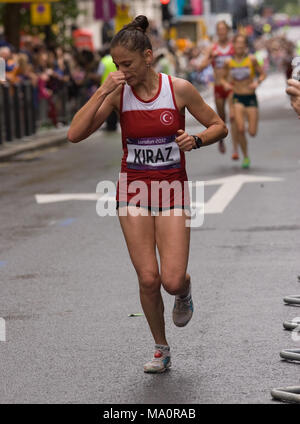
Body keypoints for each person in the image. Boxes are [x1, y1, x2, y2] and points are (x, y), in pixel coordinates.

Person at [68, 15, 228, 373]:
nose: (122, 71)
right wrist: (102, 90)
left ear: (148, 57)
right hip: (133, 190)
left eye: (127, 64)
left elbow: (219, 125)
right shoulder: (117, 94)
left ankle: (185, 289)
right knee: (147, 278)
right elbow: (75, 134)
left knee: (170, 279)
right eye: (116, 65)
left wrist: (197, 139)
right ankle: (161, 347)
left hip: (172, 190)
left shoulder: (179, 89)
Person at [221, 34, 266, 169]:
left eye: (242, 43)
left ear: (246, 46)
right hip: (237, 98)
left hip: (250, 98)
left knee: (252, 132)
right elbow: (222, 78)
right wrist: (225, 85)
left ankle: (245, 149)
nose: (240, 45)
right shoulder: (228, 62)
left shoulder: (251, 59)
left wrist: (257, 82)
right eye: (237, 43)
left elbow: (263, 74)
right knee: (240, 129)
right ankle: (245, 156)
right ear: (233, 45)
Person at [198, 21, 237, 157]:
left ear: (227, 31)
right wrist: (210, 59)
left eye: (224, 29)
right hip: (218, 86)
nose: (222, 32)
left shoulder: (234, 46)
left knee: (233, 116)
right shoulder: (212, 48)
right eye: (219, 30)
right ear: (217, 31)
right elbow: (200, 66)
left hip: (232, 85)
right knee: (222, 118)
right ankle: (221, 140)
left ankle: (236, 148)